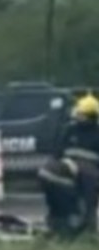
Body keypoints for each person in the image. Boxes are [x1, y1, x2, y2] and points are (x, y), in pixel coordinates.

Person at [40, 93, 99, 237]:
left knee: (87, 199)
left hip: (89, 174)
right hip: (66, 170)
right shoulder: (70, 130)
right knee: (57, 194)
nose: (77, 116)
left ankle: (86, 226)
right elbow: (58, 151)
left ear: (89, 116)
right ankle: (60, 221)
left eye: (81, 114)